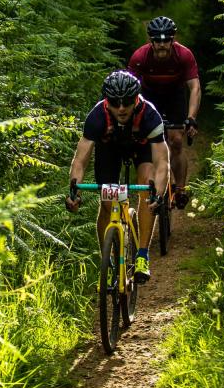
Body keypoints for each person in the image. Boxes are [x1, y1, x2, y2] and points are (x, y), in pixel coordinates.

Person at [65, 70, 170, 283]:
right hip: (109, 150)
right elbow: (80, 159)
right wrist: (73, 191)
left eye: (127, 102)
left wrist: (158, 194)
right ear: (107, 101)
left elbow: (162, 162)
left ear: (136, 99)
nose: (121, 108)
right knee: (106, 203)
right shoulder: (96, 117)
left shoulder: (150, 116)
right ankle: (108, 258)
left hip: (142, 150)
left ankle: (142, 256)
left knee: (147, 188)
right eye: (115, 102)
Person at [128, 16, 201, 209]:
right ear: (151, 41)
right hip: (150, 96)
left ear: (172, 40)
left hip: (175, 96)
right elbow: (130, 90)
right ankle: (152, 179)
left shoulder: (184, 55)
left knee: (176, 140)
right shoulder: (140, 56)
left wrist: (191, 118)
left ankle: (180, 189)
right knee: (146, 141)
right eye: (157, 41)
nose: (162, 45)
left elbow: (194, 88)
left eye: (166, 40)